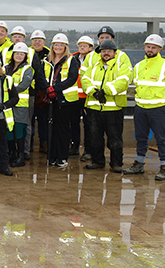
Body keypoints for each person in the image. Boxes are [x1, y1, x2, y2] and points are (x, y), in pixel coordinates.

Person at [123, 34, 165, 181]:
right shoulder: (139, 66)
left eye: (153, 47)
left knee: (161, 138)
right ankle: (139, 164)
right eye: (148, 47)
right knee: (141, 137)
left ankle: (164, 167)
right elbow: (135, 83)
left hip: (158, 109)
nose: (150, 49)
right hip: (141, 107)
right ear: (145, 47)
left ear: (159, 49)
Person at [81, 39, 132, 173]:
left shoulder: (121, 66)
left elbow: (123, 82)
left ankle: (116, 163)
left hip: (113, 109)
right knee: (95, 138)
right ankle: (98, 162)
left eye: (109, 51)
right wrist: (94, 93)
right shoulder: (94, 66)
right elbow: (85, 80)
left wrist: (105, 91)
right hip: (94, 108)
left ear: (115, 52)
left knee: (114, 139)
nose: (106, 54)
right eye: (104, 51)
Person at [44, 34, 79, 167]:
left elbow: (72, 78)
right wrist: (48, 89)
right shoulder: (47, 60)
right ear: (52, 46)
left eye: (61, 45)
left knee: (63, 130)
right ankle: (52, 156)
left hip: (66, 101)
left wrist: (55, 89)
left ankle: (62, 157)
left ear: (65, 47)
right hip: (51, 99)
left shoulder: (71, 60)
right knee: (51, 129)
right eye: (56, 45)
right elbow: (41, 76)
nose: (58, 47)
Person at [4, 42, 34, 167]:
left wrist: (9, 91)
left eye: (22, 54)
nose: (19, 56)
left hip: (21, 104)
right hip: (8, 105)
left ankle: (21, 156)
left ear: (25, 56)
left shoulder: (28, 69)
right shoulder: (5, 68)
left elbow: (24, 85)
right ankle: (12, 154)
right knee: (9, 130)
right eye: (17, 53)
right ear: (13, 54)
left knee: (20, 131)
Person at [72, 36, 94, 161]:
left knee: (88, 125)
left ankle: (88, 150)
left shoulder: (94, 60)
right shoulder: (73, 59)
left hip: (87, 97)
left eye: (85, 45)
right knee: (74, 123)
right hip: (75, 96)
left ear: (91, 48)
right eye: (80, 45)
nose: (82, 47)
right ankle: (74, 146)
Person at [29, 30, 52, 155]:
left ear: (44, 41)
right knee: (30, 120)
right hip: (30, 92)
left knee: (44, 121)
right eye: (34, 40)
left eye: (39, 40)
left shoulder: (49, 54)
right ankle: (30, 144)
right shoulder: (27, 53)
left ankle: (44, 143)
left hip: (44, 93)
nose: (37, 42)